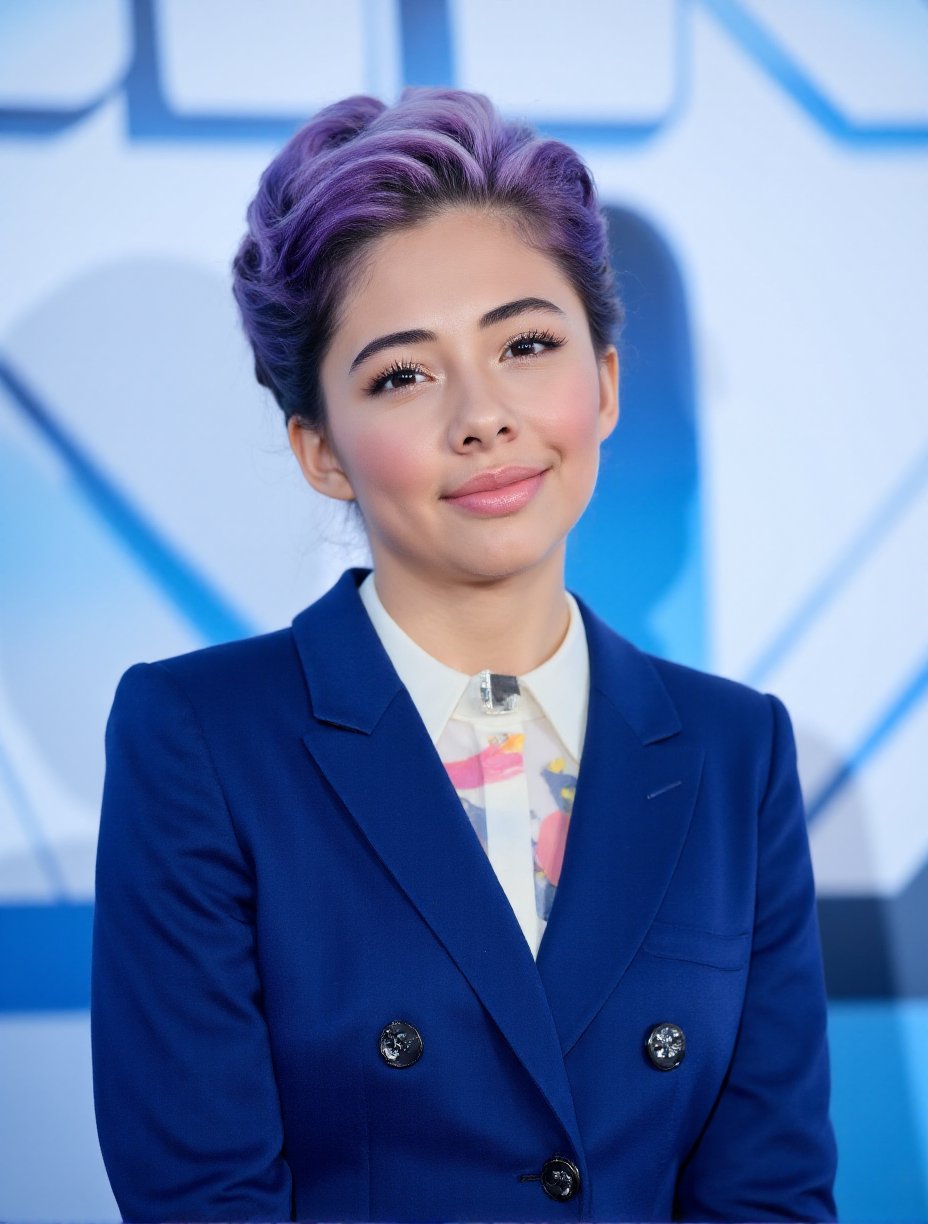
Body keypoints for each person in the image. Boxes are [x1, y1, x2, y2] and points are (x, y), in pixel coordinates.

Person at [91, 87, 837, 1222]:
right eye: (403, 374)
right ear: (321, 451)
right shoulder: (200, 739)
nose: (482, 417)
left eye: (528, 344)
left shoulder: (738, 752)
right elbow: (202, 1196)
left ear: (607, 384)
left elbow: (769, 1193)